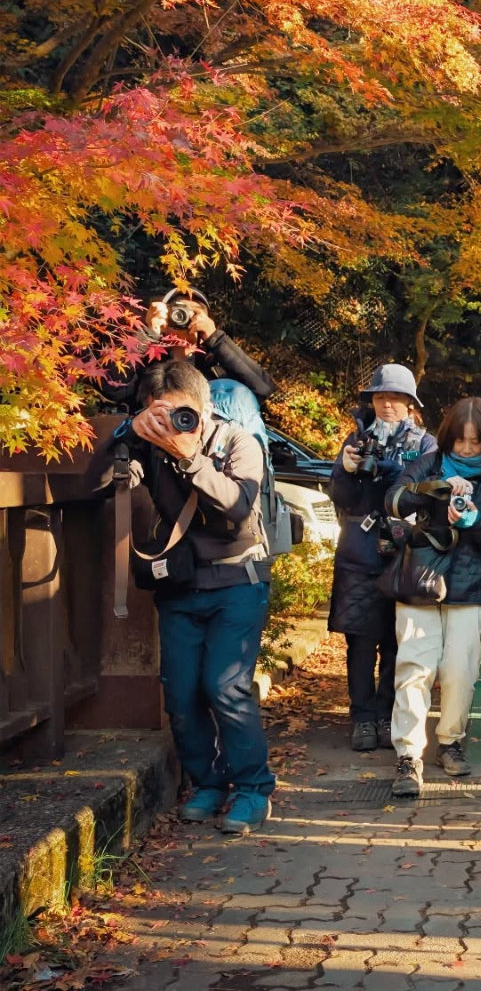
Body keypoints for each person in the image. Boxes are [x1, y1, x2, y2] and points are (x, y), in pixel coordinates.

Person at [121, 359, 275, 834]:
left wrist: (189, 456)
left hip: (237, 582)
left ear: (205, 406)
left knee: (226, 688)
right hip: (181, 585)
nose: (172, 423)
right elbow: (100, 482)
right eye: (160, 413)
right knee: (182, 693)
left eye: (181, 412)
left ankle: (253, 790)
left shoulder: (238, 442)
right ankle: (208, 784)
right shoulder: (146, 446)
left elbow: (236, 505)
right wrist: (128, 436)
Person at [386, 398, 481, 794]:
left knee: (460, 671)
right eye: (460, 441)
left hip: (470, 587)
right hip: (420, 581)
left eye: (475, 442)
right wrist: (435, 489)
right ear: (448, 437)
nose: (467, 449)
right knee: (414, 668)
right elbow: (393, 499)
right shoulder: (429, 462)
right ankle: (408, 755)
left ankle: (451, 741)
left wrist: (473, 520)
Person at [327, 365, 434, 751]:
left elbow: (425, 495)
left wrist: (395, 473)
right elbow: (341, 498)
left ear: (409, 403)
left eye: (395, 397)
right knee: (359, 641)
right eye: (379, 397)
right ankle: (363, 718)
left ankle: (389, 716)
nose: (387, 404)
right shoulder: (355, 439)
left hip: (404, 554)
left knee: (397, 642)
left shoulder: (425, 444)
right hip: (358, 551)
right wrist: (346, 469)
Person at [101, 288, 275, 412]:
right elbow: (113, 388)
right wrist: (148, 334)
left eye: (195, 313)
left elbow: (263, 388)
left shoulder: (215, 366)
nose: (184, 317)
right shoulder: (146, 364)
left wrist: (215, 338)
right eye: (178, 310)